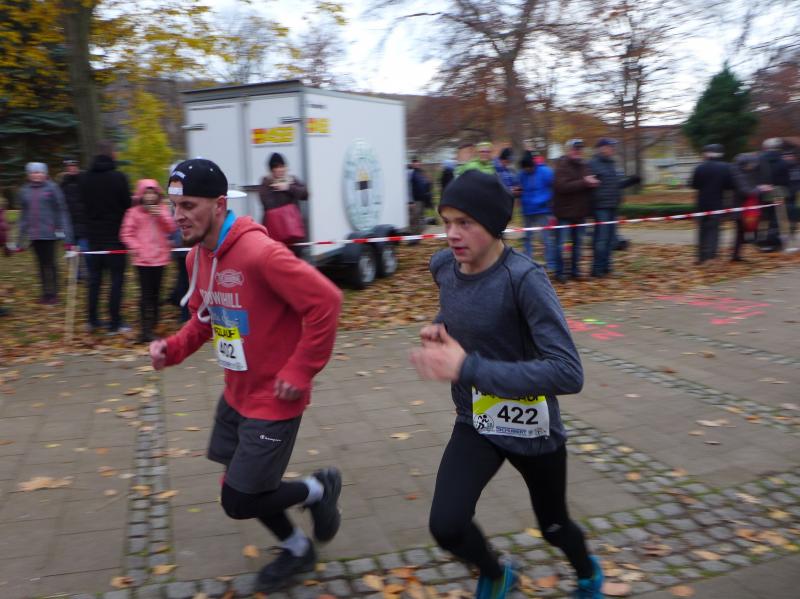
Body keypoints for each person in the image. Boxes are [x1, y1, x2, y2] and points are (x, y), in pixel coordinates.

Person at [149, 159, 343, 593]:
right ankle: (297, 548)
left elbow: (326, 302)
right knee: (242, 483)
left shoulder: (260, 253)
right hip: (237, 391)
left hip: (276, 398)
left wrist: (301, 369)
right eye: (174, 205)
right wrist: (171, 349)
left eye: (189, 205)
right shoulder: (197, 258)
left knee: (238, 499)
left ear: (219, 205)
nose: (178, 216)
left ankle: (317, 489)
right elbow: (204, 320)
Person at [410, 169, 604, 599]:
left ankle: (587, 573)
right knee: (447, 526)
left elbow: (568, 372)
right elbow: (461, 308)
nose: (452, 234)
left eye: (465, 223)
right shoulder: (443, 265)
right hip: (476, 420)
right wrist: (441, 328)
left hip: (532, 428)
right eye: (446, 222)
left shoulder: (524, 279)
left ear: (493, 224)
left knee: (554, 526)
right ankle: (497, 573)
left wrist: (468, 367)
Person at [80, 141, 132, 333]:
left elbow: (82, 204)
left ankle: (92, 320)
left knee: (94, 280)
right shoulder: (119, 177)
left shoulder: (84, 178)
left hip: (93, 238)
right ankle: (114, 322)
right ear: (112, 154)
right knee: (116, 281)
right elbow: (127, 204)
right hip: (115, 237)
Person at [120, 180, 177, 343]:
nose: (150, 196)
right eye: (146, 193)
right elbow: (126, 234)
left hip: (160, 258)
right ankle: (145, 330)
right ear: (141, 195)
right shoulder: (133, 212)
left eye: (152, 193)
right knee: (145, 295)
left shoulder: (163, 209)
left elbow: (171, 228)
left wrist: (160, 216)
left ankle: (155, 327)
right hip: (143, 261)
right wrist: (138, 248)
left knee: (157, 295)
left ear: (157, 194)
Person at [17, 162, 73, 304]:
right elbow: (24, 216)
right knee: (41, 265)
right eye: (33, 172)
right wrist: (20, 240)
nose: (37, 175)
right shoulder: (24, 191)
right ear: (28, 175)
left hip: (49, 233)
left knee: (51, 264)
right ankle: (45, 293)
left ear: (45, 174)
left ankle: (54, 293)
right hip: (34, 235)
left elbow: (61, 211)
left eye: (40, 172)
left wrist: (67, 236)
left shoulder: (52, 188)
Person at [588, 138, 641, 277]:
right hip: (600, 207)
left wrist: (631, 181)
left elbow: (616, 185)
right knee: (601, 239)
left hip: (613, 206)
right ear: (601, 148)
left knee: (611, 239)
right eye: (610, 146)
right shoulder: (592, 164)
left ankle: (607, 268)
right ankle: (597, 269)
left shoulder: (612, 164)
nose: (613, 149)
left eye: (613, 147)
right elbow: (588, 186)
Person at [552, 139, 599, 282]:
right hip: (564, 213)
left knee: (578, 245)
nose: (578, 151)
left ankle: (575, 271)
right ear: (568, 150)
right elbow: (561, 186)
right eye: (575, 149)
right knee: (561, 245)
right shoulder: (561, 166)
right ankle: (560, 273)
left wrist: (593, 183)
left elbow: (586, 184)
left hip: (580, 213)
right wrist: (584, 182)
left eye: (580, 149)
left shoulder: (585, 166)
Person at [690, 144, 734, 264]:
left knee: (702, 231)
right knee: (714, 230)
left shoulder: (700, 167)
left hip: (701, 203)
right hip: (717, 203)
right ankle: (711, 256)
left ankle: (701, 257)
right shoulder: (726, 167)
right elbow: (730, 185)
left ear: (707, 154)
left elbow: (694, 185)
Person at [259, 153, 308, 257]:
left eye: (282, 166)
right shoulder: (266, 183)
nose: (280, 170)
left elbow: (305, 194)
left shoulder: (292, 180)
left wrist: (288, 188)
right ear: (271, 170)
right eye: (276, 167)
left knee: (296, 261)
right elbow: (268, 204)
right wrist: (277, 189)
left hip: (294, 234)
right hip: (275, 234)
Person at [518, 152, 555, 271]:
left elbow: (553, 188)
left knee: (546, 238)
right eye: (524, 168)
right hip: (527, 210)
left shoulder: (545, 172)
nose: (527, 170)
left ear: (533, 165)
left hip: (543, 210)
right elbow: (520, 188)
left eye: (528, 168)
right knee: (527, 238)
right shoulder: (522, 174)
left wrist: (548, 203)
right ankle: (527, 263)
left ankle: (551, 264)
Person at [756, 138, 790, 251]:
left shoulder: (760, 160)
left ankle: (760, 241)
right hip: (779, 191)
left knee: (763, 217)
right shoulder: (783, 162)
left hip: (763, 191)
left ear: (766, 147)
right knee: (777, 218)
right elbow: (786, 180)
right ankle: (774, 242)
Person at [59, 158, 88, 280]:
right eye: (69, 167)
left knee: (85, 250)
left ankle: (87, 273)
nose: (71, 168)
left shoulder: (85, 180)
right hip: (68, 223)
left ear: (77, 167)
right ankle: (75, 275)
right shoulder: (63, 184)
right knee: (71, 250)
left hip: (83, 222)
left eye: (74, 166)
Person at [730, 152, 762, 262]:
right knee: (740, 233)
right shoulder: (739, 175)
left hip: (743, 208)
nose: (753, 166)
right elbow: (746, 191)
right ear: (745, 164)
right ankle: (735, 255)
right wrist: (759, 189)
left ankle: (736, 255)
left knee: (742, 233)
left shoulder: (742, 172)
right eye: (751, 164)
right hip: (741, 208)